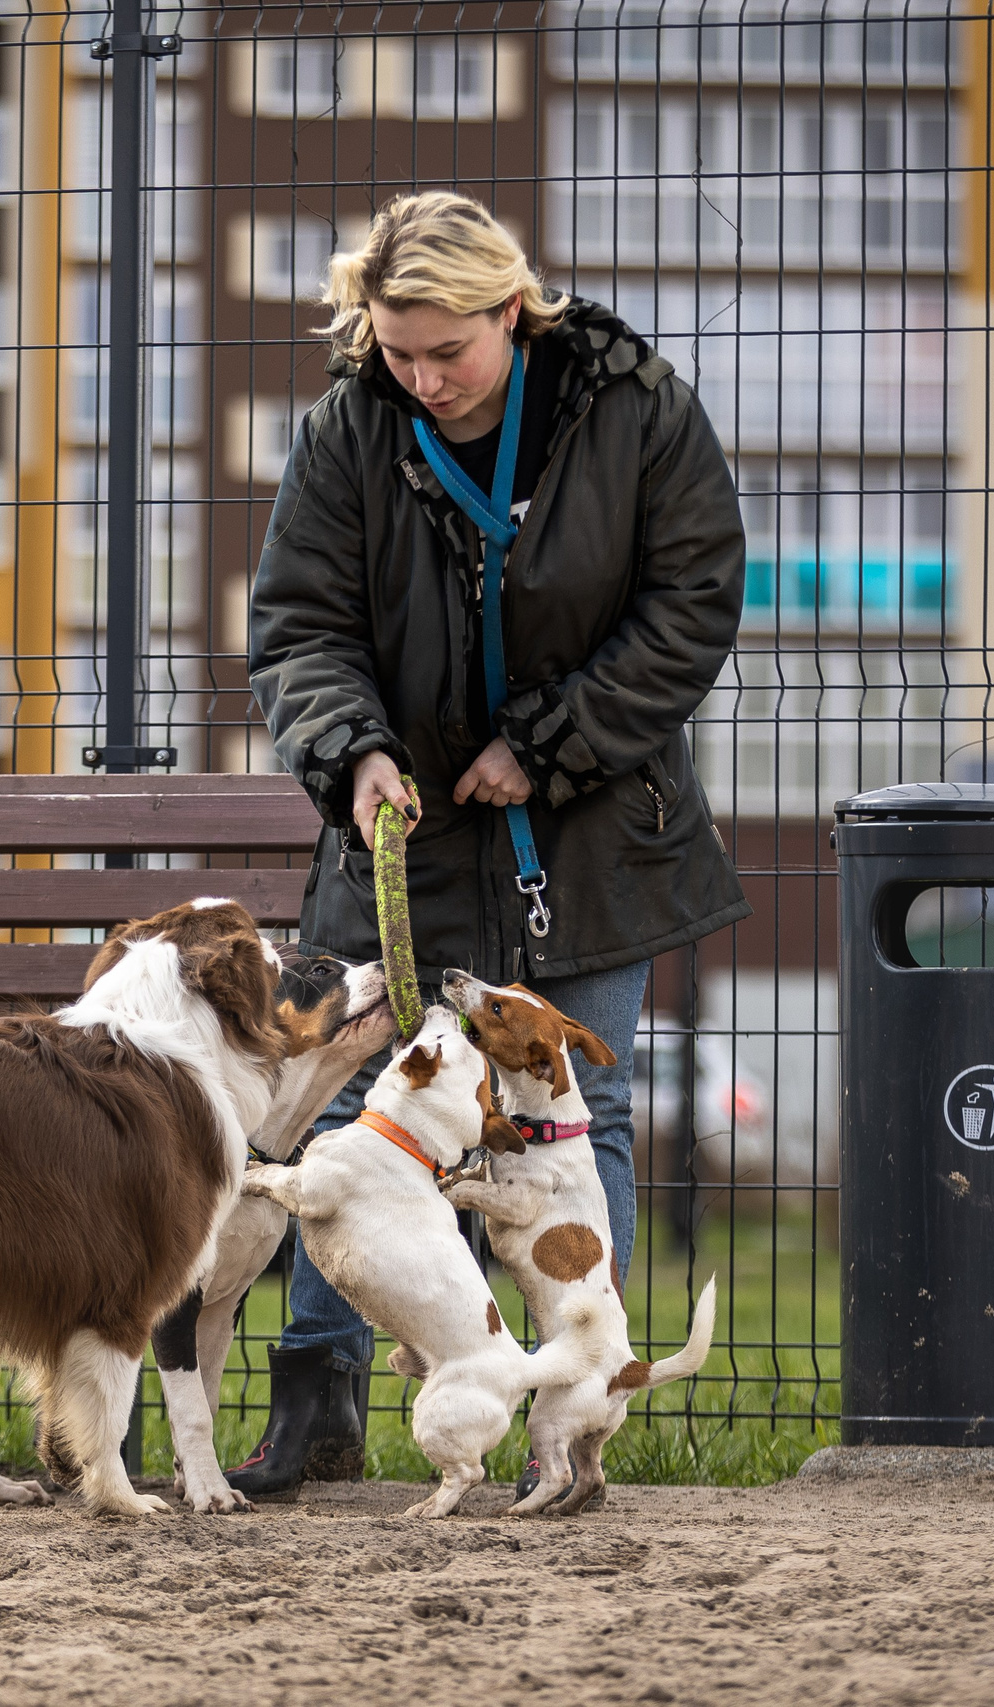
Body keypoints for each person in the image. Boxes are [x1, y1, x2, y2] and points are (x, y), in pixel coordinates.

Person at [235, 191, 751, 1499]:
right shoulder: (352, 427)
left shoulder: (634, 408)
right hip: (400, 830)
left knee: (582, 1114)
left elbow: (693, 598)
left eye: (444, 351)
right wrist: (352, 752)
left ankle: (571, 1417)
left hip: (587, 828)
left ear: (510, 313)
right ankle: (319, 1402)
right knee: (355, 1104)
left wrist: (554, 741)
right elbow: (299, 622)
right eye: (395, 349)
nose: (421, 377)